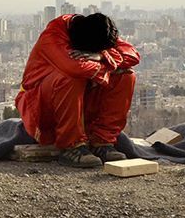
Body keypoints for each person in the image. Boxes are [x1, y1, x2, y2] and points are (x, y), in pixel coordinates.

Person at [16, 13, 140, 168]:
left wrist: (102, 55)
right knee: (70, 78)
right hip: (40, 105)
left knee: (126, 76)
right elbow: (75, 68)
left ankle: (101, 142)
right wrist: (110, 62)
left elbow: (133, 55)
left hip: (79, 104)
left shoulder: (95, 30)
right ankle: (71, 146)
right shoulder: (53, 37)